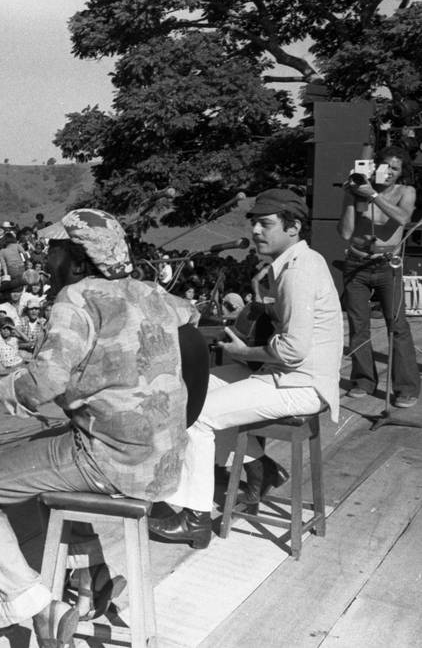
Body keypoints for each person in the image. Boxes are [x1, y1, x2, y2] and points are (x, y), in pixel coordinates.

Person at [0, 208, 197, 647]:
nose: (45, 261)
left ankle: (40, 609)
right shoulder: (150, 291)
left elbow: (43, 384)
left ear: (80, 262)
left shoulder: (76, 298)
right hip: (162, 458)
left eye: (54, 251)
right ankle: (94, 576)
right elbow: (190, 318)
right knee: (42, 462)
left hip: (109, 457)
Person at [153, 189, 343, 547]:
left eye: (266, 224)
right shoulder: (294, 264)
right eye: (254, 223)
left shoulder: (299, 272)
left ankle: (194, 517)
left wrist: (246, 352)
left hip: (302, 385)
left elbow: (294, 349)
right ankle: (261, 470)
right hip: (287, 375)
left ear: (294, 227)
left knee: (198, 415)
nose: (257, 230)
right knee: (197, 390)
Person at [339, 146, 419, 407]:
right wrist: (351, 198)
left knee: (397, 325)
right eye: (386, 166)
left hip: (387, 263)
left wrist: (372, 194)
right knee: (358, 324)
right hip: (357, 261)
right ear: (375, 166)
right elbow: (346, 232)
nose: (390, 172)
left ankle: (406, 387)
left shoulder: (405, 192)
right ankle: (363, 380)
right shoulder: (359, 190)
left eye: (395, 168)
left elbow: (402, 217)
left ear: (401, 172)